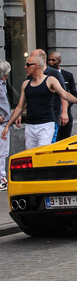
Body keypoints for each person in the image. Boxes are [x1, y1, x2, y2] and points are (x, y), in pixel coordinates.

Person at [1, 56, 77, 149]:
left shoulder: (50, 80)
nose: (25, 67)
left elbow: (64, 93)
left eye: (28, 65)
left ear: (36, 66)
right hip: (30, 125)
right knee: (30, 154)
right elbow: (20, 107)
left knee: (41, 152)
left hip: (46, 124)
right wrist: (8, 125)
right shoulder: (26, 84)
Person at [30, 49, 68, 141]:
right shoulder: (31, 75)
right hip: (35, 119)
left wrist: (64, 112)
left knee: (48, 145)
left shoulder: (54, 74)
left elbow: (64, 93)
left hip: (52, 117)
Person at [48, 51, 77, 141]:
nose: (50, 62)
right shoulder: (46, 75)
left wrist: (66, 106)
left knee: (65, 140)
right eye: (49, 60)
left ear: (59, 61)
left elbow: (73, 93)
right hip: (53, 113)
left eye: (53, 60)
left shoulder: (68, 75)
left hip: (66, 113)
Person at [0, 60, 11, 190]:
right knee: (2, 152)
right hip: (2, 123)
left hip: (5, 122)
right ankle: (1, 178)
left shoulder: (3, 84)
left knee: (3, 152)